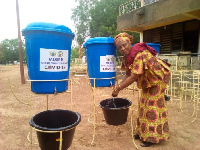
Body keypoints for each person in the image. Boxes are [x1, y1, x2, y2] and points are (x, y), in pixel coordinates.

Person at [112, 32, 171, 147]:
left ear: (130, 43)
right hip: (149, 80)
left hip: (159, 77)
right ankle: (143, 132)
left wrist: (119, 88)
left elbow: (134, 76)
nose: (123, 48)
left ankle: (152, 137)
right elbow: (127, 74)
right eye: (119, 47)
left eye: (125, 45)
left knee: (152, 105)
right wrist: (118, 85)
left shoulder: (139, 55)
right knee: (143, 103)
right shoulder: (127, 58)